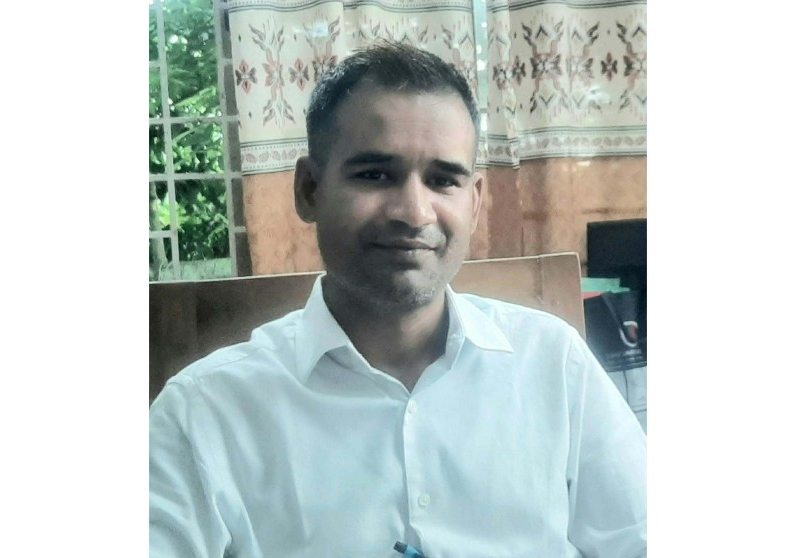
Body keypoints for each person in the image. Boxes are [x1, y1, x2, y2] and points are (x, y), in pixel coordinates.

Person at [150, 42, 647, 558]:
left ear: (475, 202)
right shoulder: (205, 412)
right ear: (309, 189)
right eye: (374, 175)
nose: (414, 212)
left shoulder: (552, 364)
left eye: (443, 180)